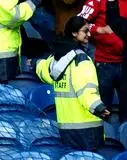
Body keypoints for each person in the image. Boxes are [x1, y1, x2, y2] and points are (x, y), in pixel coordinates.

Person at [36, 16, 110, 150]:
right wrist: (98, 107)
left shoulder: (56, 57)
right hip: (87, 127)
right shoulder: (81, 59)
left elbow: (45, 71)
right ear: (74, 33)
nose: (89, 34)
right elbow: (86, 87)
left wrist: (36, 63)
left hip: (66, 127)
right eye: (85, 31)